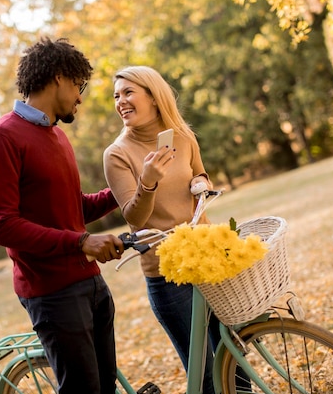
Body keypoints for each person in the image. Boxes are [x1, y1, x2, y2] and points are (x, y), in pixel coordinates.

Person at [0, 37, 124, 394]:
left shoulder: (57, 136)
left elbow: (73, 210)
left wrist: (129, 188)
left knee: (105, 387)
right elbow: (2, 225)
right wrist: (82, 242)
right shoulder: (1, 138)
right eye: (78, 85)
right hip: (52, 292)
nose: (80, 97)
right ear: (59, 77)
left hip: (91, 283)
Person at [103, 66, 249, 393]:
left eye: (128, 93)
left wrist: (200, 182)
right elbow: (135, 217)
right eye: (116, 95)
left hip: (208, 257)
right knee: (206, 375)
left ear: (154, 98)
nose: (120, 101)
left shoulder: (182, 136)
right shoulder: (116, 154)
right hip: (167, 274)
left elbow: (201, 174)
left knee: (235, 357)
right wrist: (148, 180)